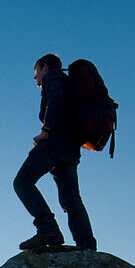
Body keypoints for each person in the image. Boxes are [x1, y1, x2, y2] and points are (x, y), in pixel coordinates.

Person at [13, 53, 97, 251]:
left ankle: (47, 228)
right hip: (70, 149)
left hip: (55, 142)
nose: (35, 79)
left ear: (45, 68)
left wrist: (46, 130)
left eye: (36, 72)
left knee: (22, 182)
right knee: (70, 198)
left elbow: (56, 100)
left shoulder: (54, 78)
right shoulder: (68, 83)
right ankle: (86, 245)